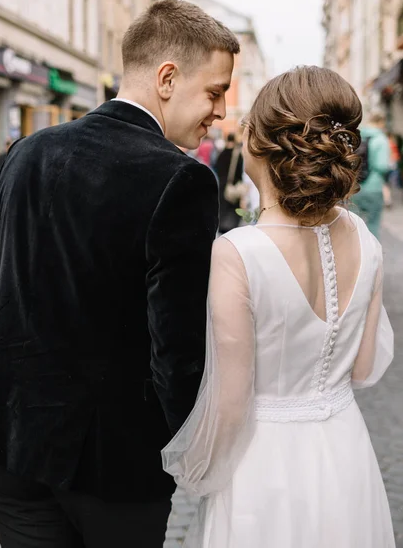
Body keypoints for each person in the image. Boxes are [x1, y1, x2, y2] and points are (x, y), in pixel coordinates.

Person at [0, 0, 239, 548]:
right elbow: (177, 350)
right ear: (167, 77)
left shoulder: (25, 152)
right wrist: (188, 451)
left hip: (10, 440)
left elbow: (7, 284)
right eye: (215, 90)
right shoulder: (180, 179)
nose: (220, 111)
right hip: (114, 462)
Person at [162, 66, 395, 547]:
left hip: (261, 464)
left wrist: (197, 472)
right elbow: (365, 367)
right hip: (344, 451)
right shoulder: (367, 241)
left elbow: (230, 402)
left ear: (260, 145)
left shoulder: (237, 253)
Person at [351, 112, 390, 237]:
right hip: (374, 186)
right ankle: (372, 253)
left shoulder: (358, 137)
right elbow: (382, 166)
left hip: (356, 186)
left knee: (354, 224)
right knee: (373, 223)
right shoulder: (381, 139)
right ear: (381, 123)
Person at [215, 132, 246, 233]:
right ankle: (231, 229)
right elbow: (240, 171)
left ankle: (222, 227)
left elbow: (216, 167)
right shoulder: (236, 154)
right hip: (233, 185)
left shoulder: (221, 153)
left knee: (223, 207)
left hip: (222, 185)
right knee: (232, 208)